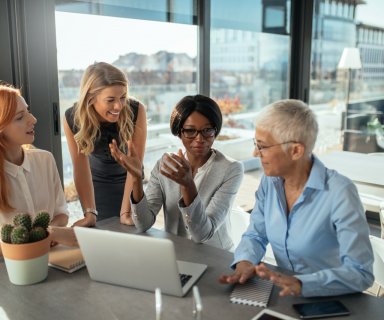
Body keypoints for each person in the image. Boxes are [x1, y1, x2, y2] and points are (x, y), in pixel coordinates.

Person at [219, 99, 374, 297]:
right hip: (286, 295)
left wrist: (302, 284)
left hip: (335, 301)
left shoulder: (340, 192)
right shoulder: (270, 182)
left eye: (262, 146)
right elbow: (256, 235)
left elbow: (361, 272)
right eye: (255, 144)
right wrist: (245, 263)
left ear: (296, 151)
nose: (255, 153)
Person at [110, 94, 244, 250]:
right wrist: (136, 178)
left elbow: (203, 234)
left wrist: (188, 185)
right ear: (179, 132)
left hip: (215, 255)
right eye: (190, 131)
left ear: (215, 130)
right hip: (175, 253)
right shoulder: (164, 165)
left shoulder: (231, 169)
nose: (199, 139)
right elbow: (143, 224)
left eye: (207, 130)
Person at [64, 62, 147, 226]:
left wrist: (126, 212)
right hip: (97, 187)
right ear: (91, 98)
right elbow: (80, 168)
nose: (118, 106)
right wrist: (89, 213)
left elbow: (135, 165)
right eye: (110, 100)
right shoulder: (72, 118)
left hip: (132, 184)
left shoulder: (137, 110)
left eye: (123, 97)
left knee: (132, 234)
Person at [0, 85, 69, 228]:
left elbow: (61, 213)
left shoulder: (45, 160)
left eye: (28, 111)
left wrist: (43, 234)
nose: (33, 119)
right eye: (20, 117)